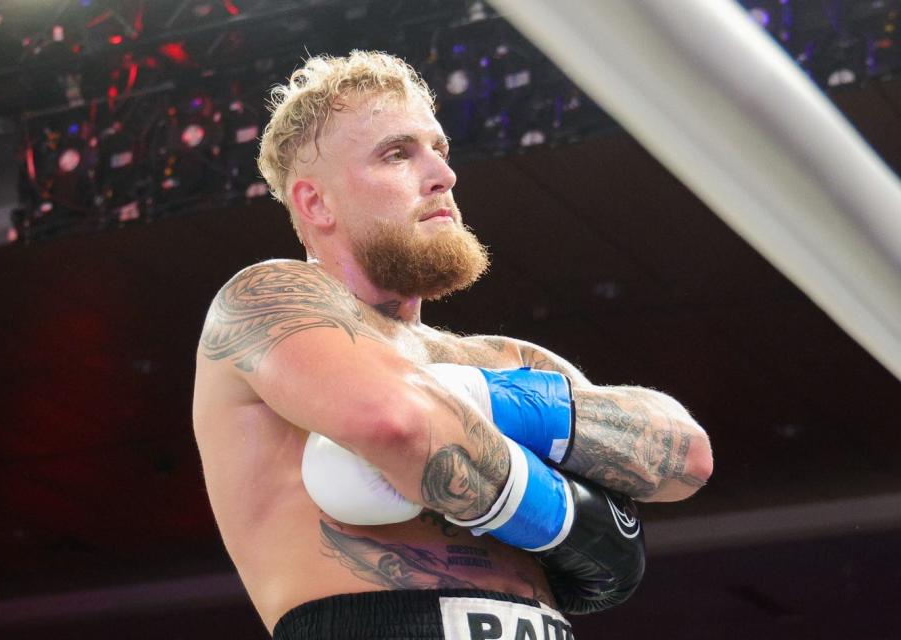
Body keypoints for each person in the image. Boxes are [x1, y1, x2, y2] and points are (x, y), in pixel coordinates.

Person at [192, 51, 713, 639]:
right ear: (316, 202)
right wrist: (565, 503)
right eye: (397, 153)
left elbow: (684, 456)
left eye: (439, 149)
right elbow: (393, 422)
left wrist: (473, 400)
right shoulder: (268, 301)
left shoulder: (508, 359)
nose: (443, 174)